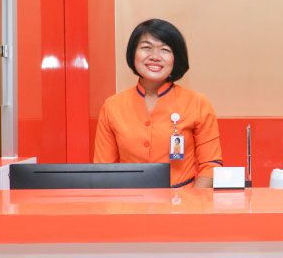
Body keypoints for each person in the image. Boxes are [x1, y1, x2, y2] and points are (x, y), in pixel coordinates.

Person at [94, 19, 222, 188]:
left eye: (165, 50)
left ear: (175, 58)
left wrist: (192, 201)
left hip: (182, 200)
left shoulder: (198, 103)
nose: (155, 56)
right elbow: (103, 170)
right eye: (146, 47)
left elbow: (211, 166)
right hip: (129, 200)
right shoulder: (112, 106)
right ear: (133, 53)